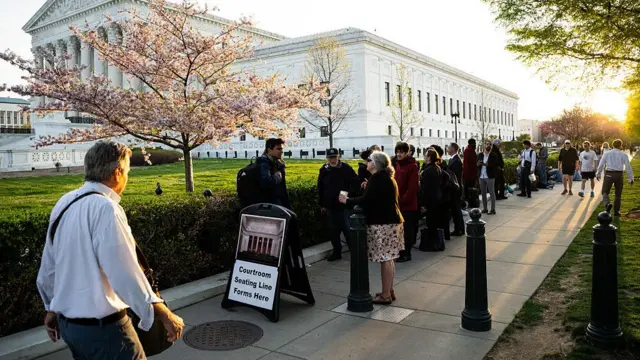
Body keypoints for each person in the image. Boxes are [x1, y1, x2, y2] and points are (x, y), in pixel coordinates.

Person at [36, 141, 184, 360]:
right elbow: (124, 273)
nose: (127, 178)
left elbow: (49, 265)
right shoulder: (107, 208)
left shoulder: (64, 202)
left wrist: (51, 306)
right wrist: (161, 313)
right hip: (106, 330)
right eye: (127, 172)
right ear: (117, 172)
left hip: (71, 328)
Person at [340, 151, 404, 304]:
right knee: (389, 259)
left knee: (386, 259)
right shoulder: (384, 177)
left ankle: (386, 294)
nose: (366, 162)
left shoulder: (378, 178)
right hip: (391, 222)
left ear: (375, 163)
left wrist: (346, 200)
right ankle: (389, 290)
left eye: (369, 160)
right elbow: (375, 197)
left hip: (384, 223)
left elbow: (366, 200)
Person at [318, 148, 358, 261]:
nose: (332, 160)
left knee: (347, 229)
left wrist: (348, 194)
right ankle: (336, 252)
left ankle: (354, 252)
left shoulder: (346, 168)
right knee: (333, 231)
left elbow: (355, 183)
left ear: (338, 157)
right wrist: (322, 204)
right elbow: (320, 187)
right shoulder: (324, 170)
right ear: (327, 158)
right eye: (330, 158)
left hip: (344, 205)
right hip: (330, 206)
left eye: (334, 157)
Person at [393, 142, 419, 263]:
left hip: (407, 205)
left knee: (407, 231)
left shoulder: (412, 166)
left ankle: (406, 253)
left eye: (401, 152)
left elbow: (412, 187)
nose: (399, 154)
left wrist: (402, 200)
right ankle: (401, 251)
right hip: (398, 203)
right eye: (397, 152)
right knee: (400, 230)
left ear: (407, 153)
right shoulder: (397, 164)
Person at [596, 139, 634, 217]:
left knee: (605, 192)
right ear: (620, 145)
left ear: (612, 145)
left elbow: (601, 164)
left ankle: (607, 203)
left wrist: (598, 173)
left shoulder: (607, 153)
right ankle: (616, 212)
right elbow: (628, 167)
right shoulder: (623, 155)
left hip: (609, 174)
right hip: (619, 175)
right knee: (618, 194)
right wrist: (631, 178)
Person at [419, 149, 445, 250]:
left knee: (431, 222)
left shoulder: (428, 170)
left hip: (430, 199)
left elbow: (425, 188)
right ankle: (436, 243)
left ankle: (432, 244)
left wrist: (422, 202)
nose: (424, 157)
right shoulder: (437, 168)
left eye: (425, 156)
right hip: (436, 197)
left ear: (429, 157)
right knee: (434, 221)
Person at [257, 138, 291, 209]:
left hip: (277, 204)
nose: (281, 152)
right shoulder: (264, 163)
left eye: (282, 149)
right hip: (269, 206)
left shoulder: (278, 164)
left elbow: (283, 189)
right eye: (278, 149)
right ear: (269, 150)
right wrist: (278, 176)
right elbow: (266, 182)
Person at [447, 142, 465, 236]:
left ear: (453, 149)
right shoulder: (453, 160)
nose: (447, 149)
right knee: (456, 210)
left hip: (456, 189)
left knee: (456, 210)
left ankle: (459, 229)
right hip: (455, 188)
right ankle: (459, 228)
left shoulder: (456, 161)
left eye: (449, 147)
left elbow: (456, 176)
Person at [478, 141, 498, 214]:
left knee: (491, 192)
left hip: (489, 176)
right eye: (487, 144)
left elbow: (494, 165)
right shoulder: (480, 154)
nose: (488, 146)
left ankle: (493, 209)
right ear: (484, 145)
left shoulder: (493, 155)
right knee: (483, 193)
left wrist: (487, 165)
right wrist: (478, 164)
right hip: (481, 176)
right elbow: (477, 163)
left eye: (490, 145)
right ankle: (485, 208)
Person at [462, 138, 478, 205]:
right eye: (475, 143)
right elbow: (473, 161)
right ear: (473, 143)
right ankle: (470, 201)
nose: (475, 144)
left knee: (467, 187)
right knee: (470, 187)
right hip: (470, 173)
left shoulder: (467, 150)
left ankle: (469, 199)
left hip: (467, 172)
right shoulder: (470, 150)